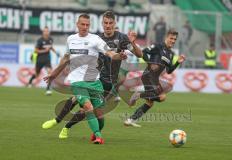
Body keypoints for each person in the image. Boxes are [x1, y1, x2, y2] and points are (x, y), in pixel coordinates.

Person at [42, 11, 143, 140]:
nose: (108, 25)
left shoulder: (122, 38)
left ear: (114, 23)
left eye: (110, 23)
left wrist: (133, 44)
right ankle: (59, 121)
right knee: (77, 100)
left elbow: (139, 55)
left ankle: (70, 127)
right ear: (102, 24)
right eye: (105, 23)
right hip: (93, 77)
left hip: (108, 82)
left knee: (91, 112)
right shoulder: (96, 38)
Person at [124, 29, 186, 127]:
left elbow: (169, 71)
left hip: (154, 78)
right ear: (166, 37)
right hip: (149, 75)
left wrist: (178, 62)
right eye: (171, 38)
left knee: (150, 103)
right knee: (162, 97)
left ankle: (131, 120)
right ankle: (139, 95)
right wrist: (150, 63)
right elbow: (144, 52)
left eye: (175, 39)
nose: (173, 41)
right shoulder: (158, 46)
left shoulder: (171, 54)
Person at [27, 26, 60, 95]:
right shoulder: (40, 40)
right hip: (39, 60)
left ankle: (48, 89)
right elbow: (36, 50)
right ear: (43, 32)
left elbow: (51, 47)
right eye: (45, 31)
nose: (46, 32)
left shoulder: (51, 39)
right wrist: (45, 50)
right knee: (37, 74)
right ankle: (30, 81)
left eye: (47, 31)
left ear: (49, 32)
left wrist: (56, 53)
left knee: (50, 73)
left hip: (47, 59)